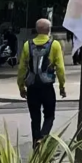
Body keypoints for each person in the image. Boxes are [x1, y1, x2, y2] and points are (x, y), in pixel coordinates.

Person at [17, 19, 66, 148]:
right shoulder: (54, 45)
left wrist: (21, 86)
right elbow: (60, 68)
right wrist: (62, 86)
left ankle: (36, 144)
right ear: (49, 30)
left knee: (35, 118)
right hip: (47, 87)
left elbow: (21, 68)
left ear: (37, 30)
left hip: (32, 87)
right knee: (49, 116)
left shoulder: (27, 45)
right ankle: (43, 137)